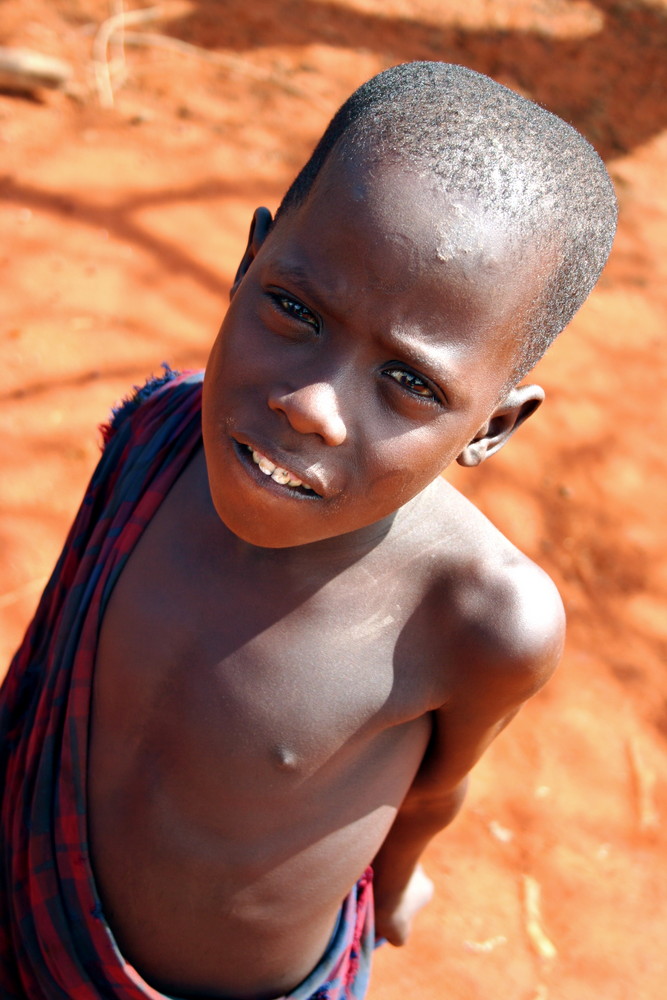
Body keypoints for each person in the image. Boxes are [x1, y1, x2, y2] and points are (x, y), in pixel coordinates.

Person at [0, 61, 616, 1000]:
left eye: (409, 381)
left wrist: (400, 881)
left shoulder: (478, 618)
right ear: (248, 263)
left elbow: (432, 792)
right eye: (293, 309)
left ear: (491, 426)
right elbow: (57, 666)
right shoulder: (153, 437)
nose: (313, 408)